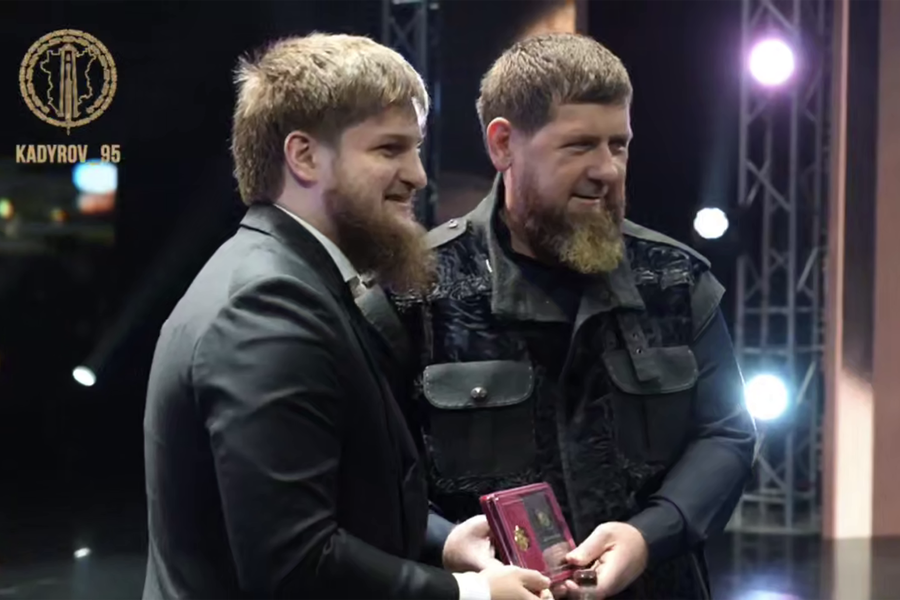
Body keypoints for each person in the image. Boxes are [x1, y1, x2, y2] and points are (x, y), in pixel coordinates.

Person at [141, 33, 551, 600]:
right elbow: (295, 563)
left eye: (415, 148)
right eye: (389, 149)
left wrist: (445, 541)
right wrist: (471, 593)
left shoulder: (293, 280)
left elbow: (337, 506)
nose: (418, 175)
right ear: (304, 156)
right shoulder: (267, 306)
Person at [374, 33, 757, 599]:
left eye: (619, 145)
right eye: (579, 146)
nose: (607, 169)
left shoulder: (675, 280)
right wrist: (447, 541)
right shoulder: (416, 292)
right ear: (503, 145)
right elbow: (372, 473)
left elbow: (725, 433)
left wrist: (648, 535)